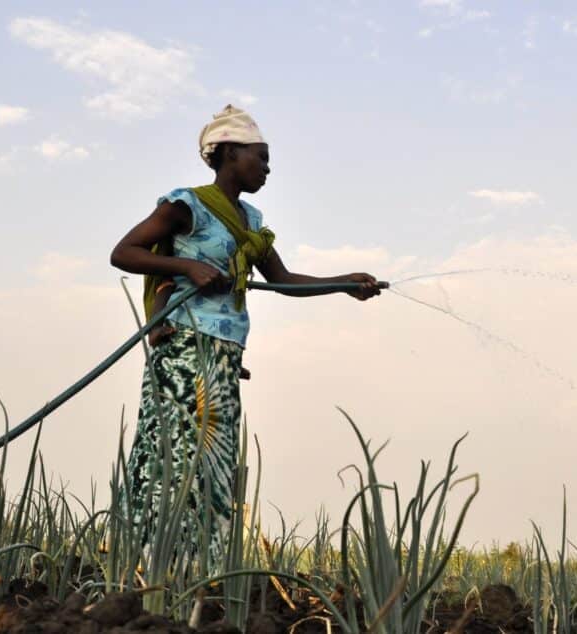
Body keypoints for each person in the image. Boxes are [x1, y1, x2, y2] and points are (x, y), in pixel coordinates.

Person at [109, 104, 381, 565]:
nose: (268, 168)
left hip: (224, 356)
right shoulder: (185, 205)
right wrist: (187, 266)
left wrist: (344, 283)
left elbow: (284, 280)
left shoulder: (252, 221)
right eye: (262, 156)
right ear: (230, 153)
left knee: (215, 465)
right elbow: (124, 252)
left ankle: (202, 570)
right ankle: (151, 565)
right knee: (175, 459)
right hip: (183, 352)